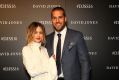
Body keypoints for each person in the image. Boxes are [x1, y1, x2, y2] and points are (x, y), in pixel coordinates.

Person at [45, 7, 91, 80]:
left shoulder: (77, 36)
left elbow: (85, 62)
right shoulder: (47, 38)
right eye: (54, 18)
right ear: (51, 20)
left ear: (65, 19)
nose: (57, 21)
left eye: (60, 17)